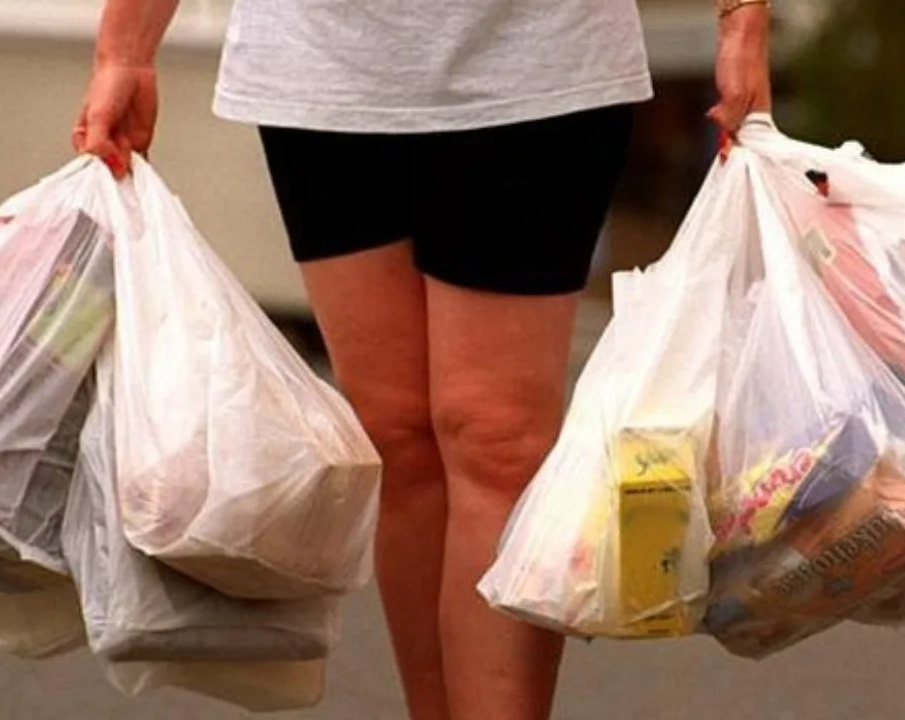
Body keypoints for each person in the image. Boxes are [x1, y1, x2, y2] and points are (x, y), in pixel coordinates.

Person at [73, 0, 771, 717]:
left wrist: (741, 22)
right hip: (323, 67)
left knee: (496, 439)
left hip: (538, 59)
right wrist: (124, 49)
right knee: (399, 441)